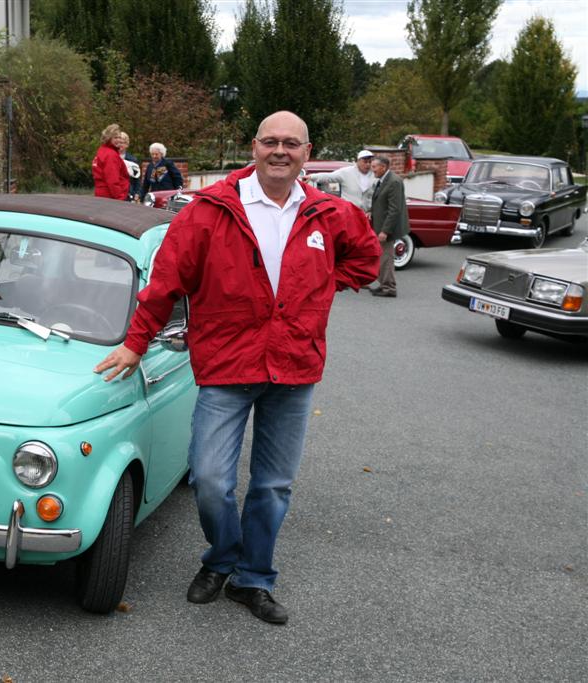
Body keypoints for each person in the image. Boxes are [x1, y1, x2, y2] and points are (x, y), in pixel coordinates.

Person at [94, 111, 380, 625]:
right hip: (227, 367)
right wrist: (136, 345)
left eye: (290, 144)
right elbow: (165, 284)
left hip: (293, 369)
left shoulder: (328, 213)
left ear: (306, 153)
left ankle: (254, 578)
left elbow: (365, 259)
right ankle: (222, 556)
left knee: (273, 485)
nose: (280, 151)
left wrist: (317, 290)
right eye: (270, 141)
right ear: (254, 146)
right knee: (208, 478)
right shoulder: (210, 211)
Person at [368, 156, 409, 298]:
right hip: (379, 225)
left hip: (385, 228)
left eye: (374, 167)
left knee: (386, 258)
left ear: (383, 167)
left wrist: (385, 231)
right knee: (382, 257)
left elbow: (394, 209)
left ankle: (389, 288)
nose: (372, 170)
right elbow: (382, 203)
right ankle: (384, 284)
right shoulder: (384, 179)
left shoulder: (394, 182)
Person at [305, 149, 375, 213]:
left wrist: (370, 211)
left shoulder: (374, 175)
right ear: (358, 161)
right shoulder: (346, 172)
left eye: (370, 162)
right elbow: (329, 176)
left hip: (366, 213)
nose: (368, 165)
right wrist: (312, 177)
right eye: (365, 162)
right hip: (349, 211)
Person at [92, 123, 130, 201]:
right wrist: (120, 198)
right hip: (110, 197)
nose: (119, 140)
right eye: (115, 138)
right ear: (108, 138)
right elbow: (112, 180)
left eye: (119, 137)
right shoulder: (111, 155)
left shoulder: (102, 151)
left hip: (101, 194)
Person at [116, 132, 141, 201]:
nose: (120, 145)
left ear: (127, 144)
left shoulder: (133, 160)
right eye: (118, 143)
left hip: (128, 194)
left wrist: (137, 193)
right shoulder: (110, 158)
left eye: (122, 143)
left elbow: (136, 179)